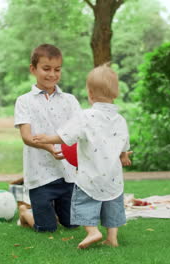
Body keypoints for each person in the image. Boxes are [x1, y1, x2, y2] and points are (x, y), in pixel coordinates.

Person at [33, 64, 132, 249]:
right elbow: (124, 142)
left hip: (90, 176)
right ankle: (112, 238)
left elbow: (67, 135)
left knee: (86, 203)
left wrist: (48, 138)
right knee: (112, 205)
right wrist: (124, 156)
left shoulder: (86, 116)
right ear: (116, 93)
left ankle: (93, 231)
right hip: (113, 178)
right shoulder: (120, 120)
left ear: (90, 94)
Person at [14, 43, 81, 232]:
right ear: (33, 69)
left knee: (72, 224)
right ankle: (26, 212)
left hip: (67, 173)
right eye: (46, 69)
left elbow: (79, 130)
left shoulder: (70, 100)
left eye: (57, 69)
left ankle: (56, 212)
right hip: (40, 174)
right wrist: (48, 147)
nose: (52, 74)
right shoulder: (24, 101)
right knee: (46, 228)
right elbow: (27, 137)